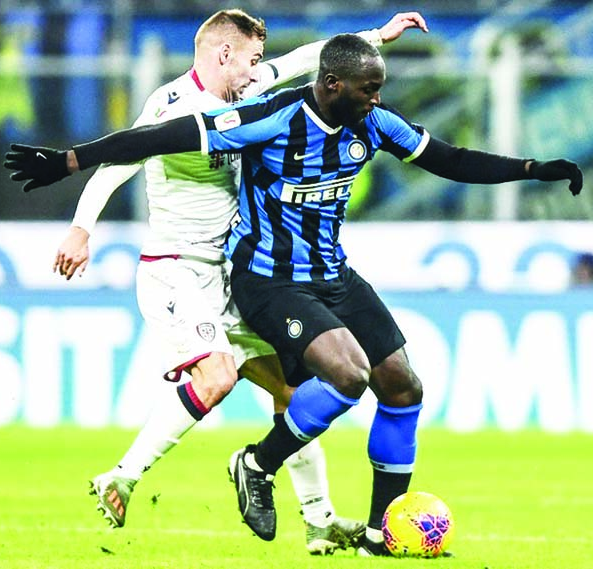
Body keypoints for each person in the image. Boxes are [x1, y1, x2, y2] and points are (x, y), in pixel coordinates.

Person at [4, 33, 583, 556]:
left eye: (379, 89)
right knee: (347, 375)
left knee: (403, 385)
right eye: (368, 89)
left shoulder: (376, 125)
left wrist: (533, 168)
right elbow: (167, 134)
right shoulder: (273, 116)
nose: (377, 99)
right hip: (267, 278)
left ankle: (380, 534)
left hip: (334, 274)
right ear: (333, 87)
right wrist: (70, 160)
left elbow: (451, 160)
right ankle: (256, 463)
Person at [45, 9, 429, 556]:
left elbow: (302, 62)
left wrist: (373, 37)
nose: (258, 72)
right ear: (223, 55)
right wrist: (81, 230)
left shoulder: (245, 95)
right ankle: (122, 477)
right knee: (219, 373)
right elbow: (117, 163)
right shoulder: (172, 105)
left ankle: (319, 522)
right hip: (177, 268)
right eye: (251, 60)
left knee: (294, 394)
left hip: (232, 271)